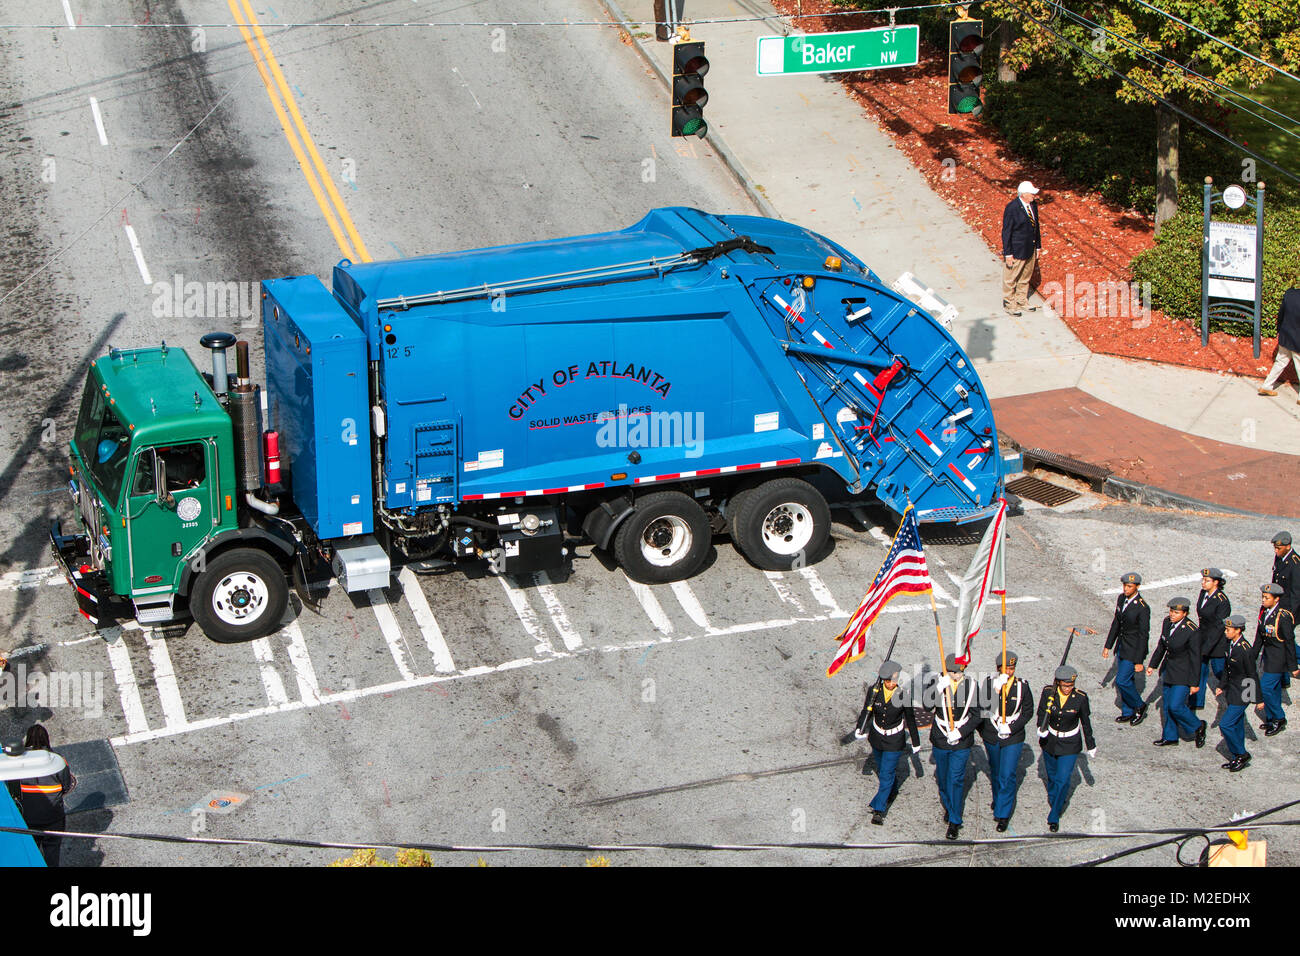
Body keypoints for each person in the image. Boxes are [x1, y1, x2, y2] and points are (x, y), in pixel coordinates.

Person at [851, 660, 922, 825]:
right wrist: (859, 727)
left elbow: (910, 719)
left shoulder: (904, 695)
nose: (890, 684)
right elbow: (866, 710)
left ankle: (879, 809)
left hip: (894, 740)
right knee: (883, 769)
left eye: (893, 680)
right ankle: (892, 788)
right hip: (877, 737)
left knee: (886, 773)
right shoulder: (874, 691)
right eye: (887, 681)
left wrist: (916, 741)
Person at [979, 649, 1033, 832]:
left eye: (1012, 668)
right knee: (995, 770)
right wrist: (996, 690)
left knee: (1007, 773)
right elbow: (983, 708)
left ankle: (1003, 814)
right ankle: (998, 799)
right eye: (1006, 668)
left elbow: (1027, 711)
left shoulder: (1022, 686)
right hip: (992, 733)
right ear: (998, 668)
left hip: (1013, 736)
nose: (1009, 672)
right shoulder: (988, 684)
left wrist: (1011, 727)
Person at [6, 724, 75, 867]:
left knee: (31, 853)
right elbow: (67, 786)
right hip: (53, 818)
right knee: (52, 851)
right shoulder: (57, 760)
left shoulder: (18, 763)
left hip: (27, 818)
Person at [1036, 664, 1095, 832]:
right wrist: (1041, 727)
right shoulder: (1049, 693)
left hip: (1070, 744)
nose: (1068, 688)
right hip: (1050, 741)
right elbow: (1042, 713)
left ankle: (1054, 815)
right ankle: (1056, 800)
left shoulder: (1080, 698)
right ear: (1058, 682)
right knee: (1053, 778)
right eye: (1065, 685)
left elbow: (1085, 722)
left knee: (1063, 779)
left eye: (1071, 685)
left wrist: (1091, 744)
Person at [929, 654, 980, 841]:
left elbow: (977, 714)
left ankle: (955, 821)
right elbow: (927, 706)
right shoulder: (937, 682)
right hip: (941, 737)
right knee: (942, 779)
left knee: (955, 779)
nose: (957, 675)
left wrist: (960, 732)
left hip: (961, 740)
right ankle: (950, 808)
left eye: (960, 671)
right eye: (953, 672)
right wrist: (937, 690)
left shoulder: (973, 686)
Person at [1147, 597, 1205, 748]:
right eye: (1171, 611)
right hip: (1169, 670)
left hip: (1184, 674)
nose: (1172, 614)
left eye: (1176, 612)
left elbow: (1196, 659)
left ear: (1184, 614)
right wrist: (1153, 664)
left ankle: (1198, 726)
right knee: (1167, 705)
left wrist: (1194, 683)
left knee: (1175, 706)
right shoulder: (1167, 623)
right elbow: (1162, 645)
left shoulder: (1192, 631)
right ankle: (1170, 736)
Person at [1102, 572, 1151, 724]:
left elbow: (1144, 636)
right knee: (1126, 680)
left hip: (1134, 649)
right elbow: (1117, 623)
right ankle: (1128, 711)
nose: (1126, 589)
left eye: (1129, 586)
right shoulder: (1122, 599)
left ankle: (1139, 705)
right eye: (1124, 585)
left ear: (1137, 587)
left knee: (1122, 681)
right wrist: (1108, 645)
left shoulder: (1142, 608)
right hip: (1122, 646)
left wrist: (1139, 660)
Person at [1253, 582, 1298, 735]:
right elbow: (1260, 636)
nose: (1263, 600)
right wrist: (1252, 656)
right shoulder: (1264, 611)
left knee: (1265, 688)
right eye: (1263, 597)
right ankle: (1271, 718)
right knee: (1274, 689)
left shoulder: (1283, 616)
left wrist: (1293, 667)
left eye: (1267, 598)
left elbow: (1290, 642)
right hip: (1268, 657)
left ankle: (1279, 718)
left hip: (1278, 659)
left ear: (1276, 599)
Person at [1215, 615, 1259, 772]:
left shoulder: (1245, 650)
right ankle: (1236, 757)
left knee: (1225, 724)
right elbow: (1228, 668)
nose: (1226, 632)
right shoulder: (1230, 644)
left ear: (1238, 630)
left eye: (1228, 629)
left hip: (1243, 693)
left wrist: (1257, 699)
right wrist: (1222, 685)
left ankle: (1241, 754)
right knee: (1238, 725)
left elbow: (1252, 675)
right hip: (1232, 691)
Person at [1000, 181, 1043, 316]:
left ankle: (1021, 300)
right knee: (1011, 278)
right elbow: (1006, 232)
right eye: (1031, 193)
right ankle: (1009, 304)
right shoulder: (1012, 208)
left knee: (1025, 277)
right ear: (1023, 194)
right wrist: (1008, 254)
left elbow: (1036, 227)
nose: (1034, 196)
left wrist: (1038, 246)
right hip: (1017, 250)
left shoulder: (1033, 206)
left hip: (1030, 248)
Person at [1193, 568, 1231, 711]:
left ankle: (1234, 694)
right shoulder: (1203, 594)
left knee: (1220, 671)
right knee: (1199, 670)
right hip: (1202, 638)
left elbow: (1218, 628)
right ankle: (1196, 701)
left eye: (1207, 580)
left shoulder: (1222, 602)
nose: (1203, 583)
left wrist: (1206, 648)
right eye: (1203, 580)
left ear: (1216, 582)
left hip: (1216, 643)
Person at [1258, 286, 1300, 400]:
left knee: (1280, 362)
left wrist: (1279, 331)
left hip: (1285, 337)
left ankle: (1267, 386)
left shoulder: (1289, 294)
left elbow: (1281, 315)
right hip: (1298, 341)